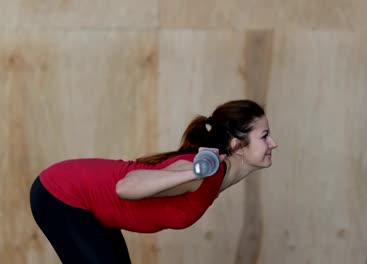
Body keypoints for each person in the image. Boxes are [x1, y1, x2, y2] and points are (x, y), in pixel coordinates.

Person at [29, 99, 278, 264]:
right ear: (238, 145)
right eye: (264, 136)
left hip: (93, 208)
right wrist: (195, 172)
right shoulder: (202, 174)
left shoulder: (213, 175)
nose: (273, 144)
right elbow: (125, 187)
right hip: (62, 195)